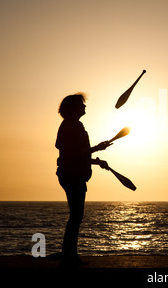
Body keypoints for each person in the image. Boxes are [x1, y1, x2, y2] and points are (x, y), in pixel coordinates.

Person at [55, 93, 111, 267]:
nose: (85, 107)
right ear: (73, 108)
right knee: (76, 216)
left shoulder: (72, 125)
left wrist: (96, 161)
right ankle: (68, 257)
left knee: (76, 216)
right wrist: (97, 148)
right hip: (72, 176)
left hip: (72, 174)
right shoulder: (71, 126)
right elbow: (74, 154)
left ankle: (69, 255)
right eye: (82, 105)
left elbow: (78, 155)